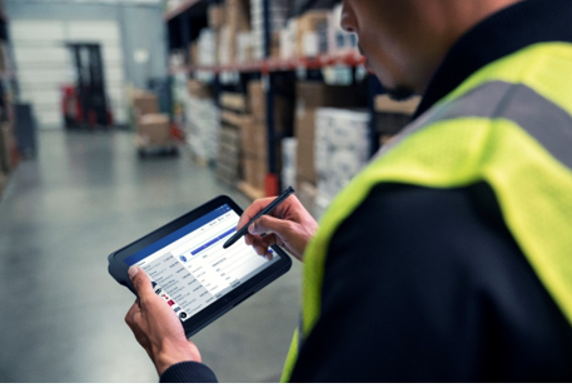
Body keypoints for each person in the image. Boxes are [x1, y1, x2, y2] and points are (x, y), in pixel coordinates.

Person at [125, 0, 572, 382]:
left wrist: (179, 365)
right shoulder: (553, 83)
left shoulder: (428, 202)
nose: (345, 20)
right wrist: (337, 254)